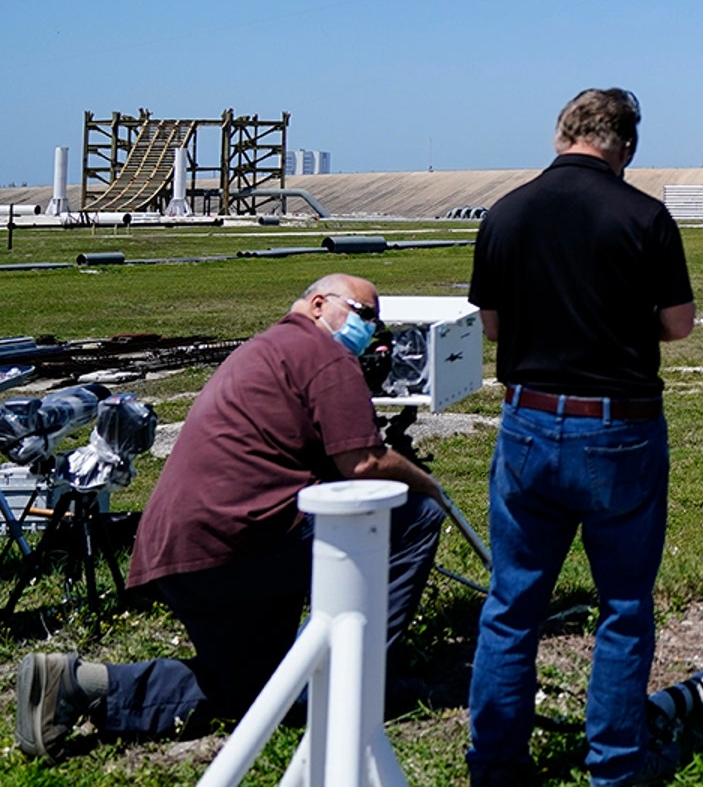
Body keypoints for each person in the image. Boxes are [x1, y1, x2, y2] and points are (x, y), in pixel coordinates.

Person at [14, 274, 446, 759]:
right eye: (365, 315)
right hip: (242, 537)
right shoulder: (325, 354)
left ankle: (78, 684)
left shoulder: (268, 348)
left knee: (265, 692)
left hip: (185, 546)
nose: (370, 329)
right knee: (414, 515)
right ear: (320, 303)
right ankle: (355, 681)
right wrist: (430, 484)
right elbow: (363, 463)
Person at [465, 88, 696, 787]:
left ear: (562, 133)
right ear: (624, 146)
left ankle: (496, 765)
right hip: (617, 430)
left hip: (528, 423)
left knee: (512, 605)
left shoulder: (505, 212)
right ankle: (616, 769)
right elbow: (679, 323)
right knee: (622, 608)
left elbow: (494, 326)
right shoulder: (644, 216)